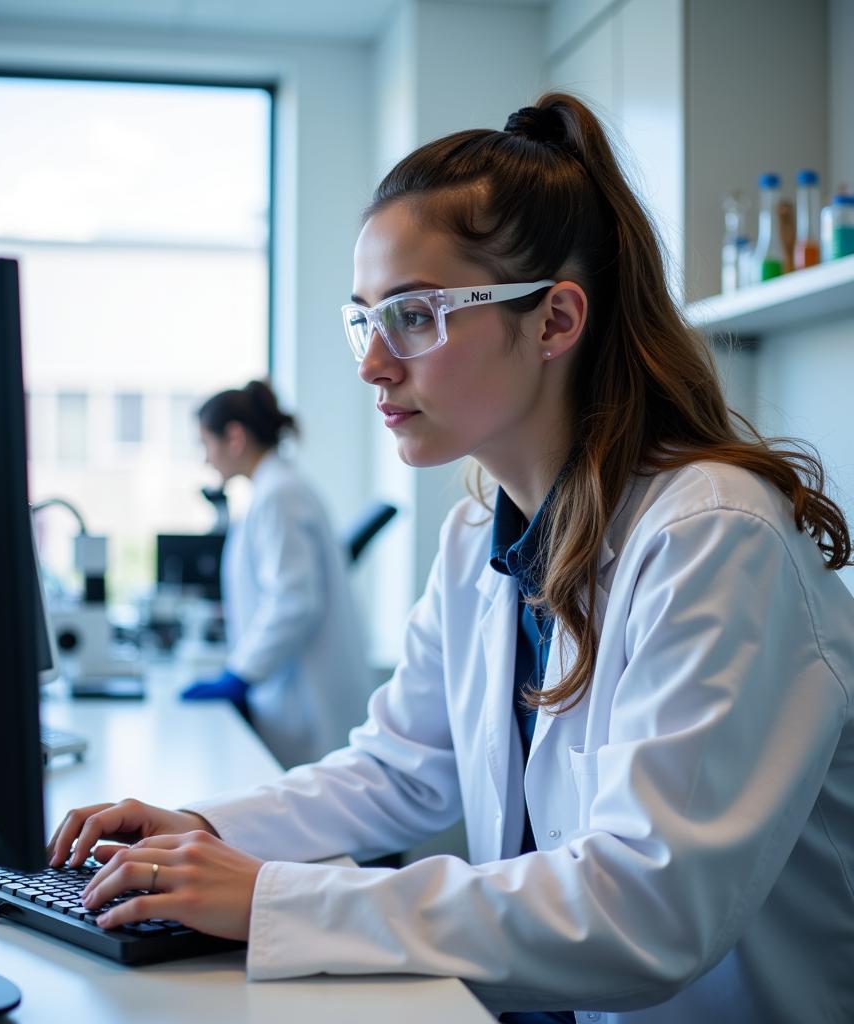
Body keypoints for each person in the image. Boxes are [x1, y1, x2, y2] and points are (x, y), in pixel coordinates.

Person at [48, 95, 854, 1022]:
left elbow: (647, 911)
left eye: (417, 315)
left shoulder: (712, 536)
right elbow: (402, 768)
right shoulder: (483, 535)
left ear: (555, 321)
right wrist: (209, 831)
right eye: (366, 320)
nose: (373, 364)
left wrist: (270, 897)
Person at [179, 380, 373, 769]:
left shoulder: (278, 495)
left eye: (206, 445)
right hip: (294, 700)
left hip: (307, 707)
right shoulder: (276, 490)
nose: (205, 459)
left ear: (234, 437)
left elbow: (294, 601)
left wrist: (240, 674)